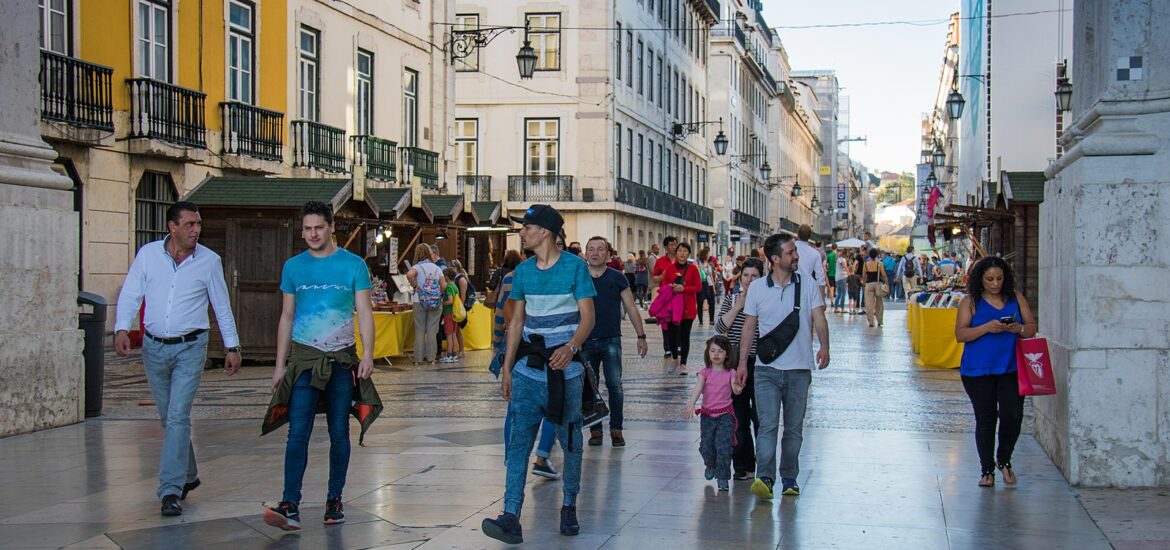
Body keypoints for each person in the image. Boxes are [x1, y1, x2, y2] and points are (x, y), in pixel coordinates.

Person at [114, 201, 241, 517]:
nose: (196, 230)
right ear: (172, 226)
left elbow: (221, 306)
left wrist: (232, 346)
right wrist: (121, 327)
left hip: (190, 347)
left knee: (177, 417)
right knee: (168, 418)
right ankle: (189, 475)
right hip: (154, 347)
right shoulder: (148, 255)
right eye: (190, 224)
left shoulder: (209, 261)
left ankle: (170, 490)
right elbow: (132, 292)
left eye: (198, 224)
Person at [482, 204, 596, 544]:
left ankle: (569, 505)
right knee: (518, 444)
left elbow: (588, 317)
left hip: (566, 373)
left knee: (571, 442)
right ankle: (510, 515)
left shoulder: (576, 268)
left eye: (527, 227)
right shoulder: (523, 272)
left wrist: (572, 347)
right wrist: (506, 367)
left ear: (544, 232)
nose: (522, 232)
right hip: (528, 371)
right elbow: (516, 321)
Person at [264, 201, 378, 530]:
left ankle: (334, 500)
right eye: (307, 229)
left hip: (342, 360)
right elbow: (286, 316)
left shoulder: (354, 265)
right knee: (297, 433)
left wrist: (367, 354)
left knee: (339, 434)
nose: (313, 234)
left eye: (318, 228)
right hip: (303, 360)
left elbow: (365, 312)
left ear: (331, 228)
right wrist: (279, 365)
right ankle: (290, 503)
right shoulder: (293, 267)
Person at [737, 233, 829, 500]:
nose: (796, 256)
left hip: (799, 369)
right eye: (790, 253)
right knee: (766, 426)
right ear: (775, 259)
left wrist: (824, 346)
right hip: (766, 369)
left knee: (794, 428)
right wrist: (743, 363)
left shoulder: (807, 283)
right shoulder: (757, 289)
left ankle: (789, 477)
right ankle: (765, 477)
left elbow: (819, 318)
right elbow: (749, 326)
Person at [954, 256, 1036, 488]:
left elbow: (1031, 329)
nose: (995, 283)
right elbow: (960, 334)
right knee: (986, 418)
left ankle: (1004, 458)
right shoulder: (970, 302)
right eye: (990, 279)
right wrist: (986, 328)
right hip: (977, 370)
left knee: (1013, 415)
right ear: (980, 279)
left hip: (1010, 367)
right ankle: (987, 469)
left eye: (999, 278)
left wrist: (1017, 328)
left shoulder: (1016, 298)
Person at [491, 249, 560, 480]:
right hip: (540, 345)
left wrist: (496, 344)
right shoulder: (552, 275)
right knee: (551, 402)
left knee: (516, 407)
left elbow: (500, 311)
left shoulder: (512, 277)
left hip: (519, 345)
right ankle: (540, 456)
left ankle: (513, 458)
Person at [583, 236, 649, 447]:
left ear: (608, 255)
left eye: (600, 249)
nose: (595, 253)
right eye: (591, 249)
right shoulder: (579, 277)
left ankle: (616, 428)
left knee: (615, 386)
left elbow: (630, 307)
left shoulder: (617, 278)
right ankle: (595, 429)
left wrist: (641, 336)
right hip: (585, 340)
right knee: (589, 387)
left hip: (610, 339)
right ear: (586, 254)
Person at [715, 257, 764, 481]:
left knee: (761, 417)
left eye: (754, 276)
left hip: (761, 362)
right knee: (738, 415)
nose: (749, 280)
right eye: (745, 275)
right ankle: (742, 465)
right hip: (736, 363)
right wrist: (739, 305)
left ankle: (763, 464)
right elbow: (721, 326)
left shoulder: (767, 300)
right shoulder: (732, 298)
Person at [685, 335, 745, 492]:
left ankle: (723, 477)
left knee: (724, 447)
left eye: (720, 351)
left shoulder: (730, 373)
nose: (716, 354)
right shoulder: (704, 373)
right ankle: (710, 464)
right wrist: (691, 403)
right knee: (706, 446)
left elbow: (736, 390)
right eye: (713, 351)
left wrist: (739, 388)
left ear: (726, 354)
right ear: (708, 353)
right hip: (707, 416)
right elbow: (698, 388)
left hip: (725, 415)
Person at [663, 242, 702, 375]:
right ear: (676, 253)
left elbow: (698, 287)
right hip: (673, 308)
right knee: (672, 336)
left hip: (688, 308)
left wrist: (684, 288)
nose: (682, 253)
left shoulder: (693, 269)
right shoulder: (669, 269)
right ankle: (675, 359)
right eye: (680, 251)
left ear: (689, 254)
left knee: (685, 336)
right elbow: (663, 285)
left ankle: (683, 363)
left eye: (685, 251)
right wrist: (672, 287)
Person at [406, 244, 446, 365]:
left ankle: (418, 359)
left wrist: (414, 286)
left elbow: (409, 275)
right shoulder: (437, 268)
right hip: (435, 302)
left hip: (419, 300)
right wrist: (437, 294)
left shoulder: (417, 267)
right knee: (432, 330)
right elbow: (443, 286)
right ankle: (431, 358)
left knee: (420, 330)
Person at [650, 236, 680, 360]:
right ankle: (667, 348)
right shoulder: (661, 261)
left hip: (678, 295)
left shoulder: (681, 260)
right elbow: (654, 278)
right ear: (666, 247)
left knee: (678, 320)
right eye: (672, 244)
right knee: (665, 320)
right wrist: (663, 275)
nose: (674, 247)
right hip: (665, 295)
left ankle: (678, 346)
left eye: (675, 244)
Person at [795, 225, 828, 302]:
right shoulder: (815, 254)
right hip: (807, 290)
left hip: (789, 289)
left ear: (797, 234)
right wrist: (822, 300)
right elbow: (820, 278)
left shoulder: (789, 250)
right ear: (810, 236)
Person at [862, 249, 889, 327]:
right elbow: (884, 275)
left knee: (869, 304)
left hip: (869, 284)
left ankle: (871, 322)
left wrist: (864, 285)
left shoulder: (866, 264)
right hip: (878, 284)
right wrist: (887, 285)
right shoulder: (880, 264)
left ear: (870, 255)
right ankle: (880, 321)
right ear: (877, 255)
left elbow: (864, 276)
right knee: (879, 303)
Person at [440, 267, 462, 363]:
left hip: (448, 312)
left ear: (447, 277)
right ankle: (454, 353)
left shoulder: (449, 287)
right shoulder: (455, 286)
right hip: (454, 314)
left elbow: (450, 301)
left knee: (448, 334)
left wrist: (441, 303)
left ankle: (449, 354)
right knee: (453, 333)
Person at [696, 249, 716, 326]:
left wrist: (714, 287)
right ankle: (700, 321)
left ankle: (711, 320)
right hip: (701, 284)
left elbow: (711, 276)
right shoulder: (697, 263)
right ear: (705, 255)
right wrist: (702, 267)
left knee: (712, 302)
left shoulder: (710, 264)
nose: (709, 256)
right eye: (708, 254)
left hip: (709, 284)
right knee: (700, 302)